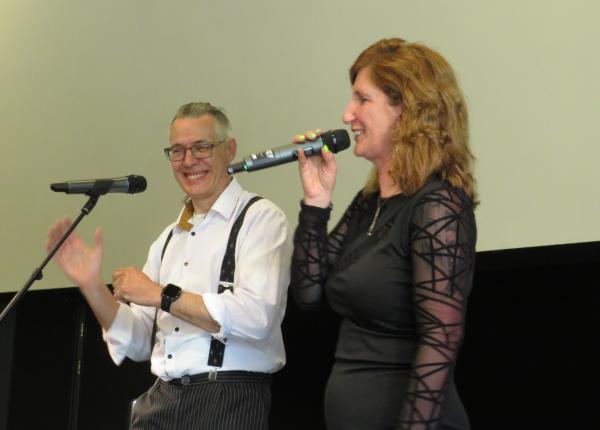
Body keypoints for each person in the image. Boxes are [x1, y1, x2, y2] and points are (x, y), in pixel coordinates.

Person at [46, 102, 292, 430]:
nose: (188, 161)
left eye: (201, 147)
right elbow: (138, 341)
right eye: (178, 150)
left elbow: (257, 317)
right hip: (162, 401)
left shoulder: (260, 218)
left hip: (227, 399)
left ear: (229, 149)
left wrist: (161, 294)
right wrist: (92, 286)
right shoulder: (167, 240)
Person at [290, 38, 478, 430]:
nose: (347, 114)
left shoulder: (438, 206)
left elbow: (440, 339)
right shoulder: (370, 202)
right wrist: (316, 203)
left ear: (406, 110)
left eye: (363, 99)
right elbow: (308, 294)